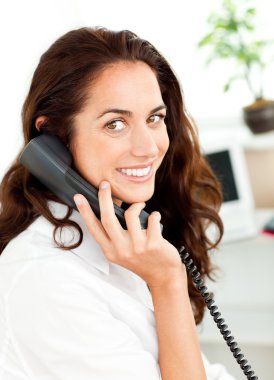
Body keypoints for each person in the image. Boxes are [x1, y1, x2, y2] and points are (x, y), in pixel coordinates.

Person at [0, 27, 236, 379]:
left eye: (154, 118)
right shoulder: (45, 280)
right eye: (115, 124)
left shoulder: (125, 232)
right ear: (53, 138)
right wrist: (168, 280)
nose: (148, 147)